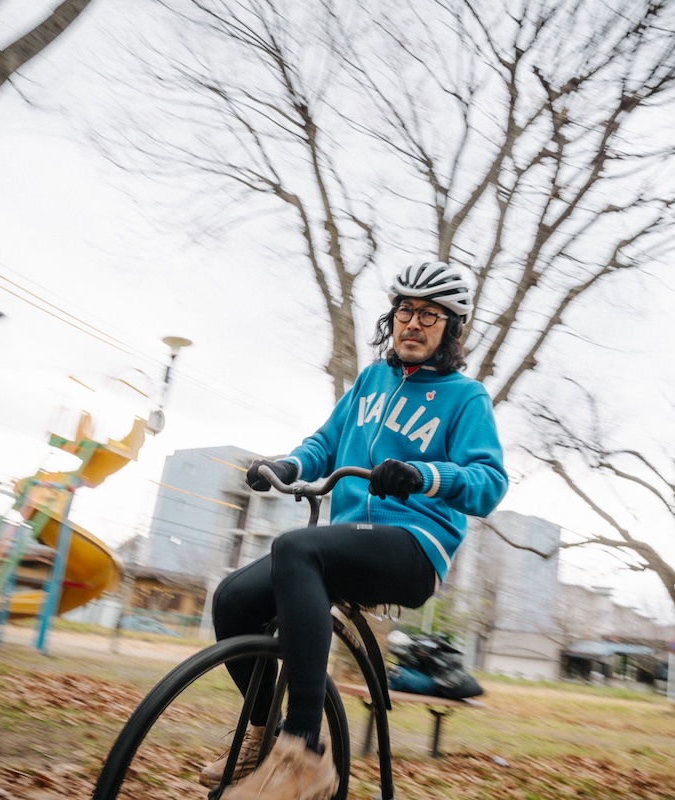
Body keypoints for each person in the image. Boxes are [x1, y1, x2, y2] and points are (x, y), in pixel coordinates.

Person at [205, 260, 508, 800]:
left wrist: (424, 475)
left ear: (450, 329)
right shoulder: (371, 380)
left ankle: (304, 755)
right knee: (233, 599)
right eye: (406, 311)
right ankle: (264, 735)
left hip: (414, 548)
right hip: (348, 542)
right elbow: (325, 442)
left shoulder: (466, 397)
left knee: (296, 548)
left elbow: (489, 482)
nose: (413, 323)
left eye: (430, 315)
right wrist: (290, 465)